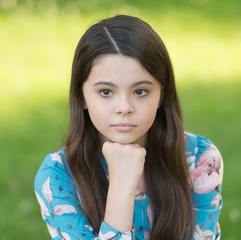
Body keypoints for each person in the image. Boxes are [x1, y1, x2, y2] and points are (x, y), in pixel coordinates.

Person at [34, 15, 223, 240]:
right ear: (82, 96)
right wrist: (122, 185)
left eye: (140, 91)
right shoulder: (57, 176)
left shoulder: (199, 158)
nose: (124, 108)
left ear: (161, 94)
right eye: (106, 92)